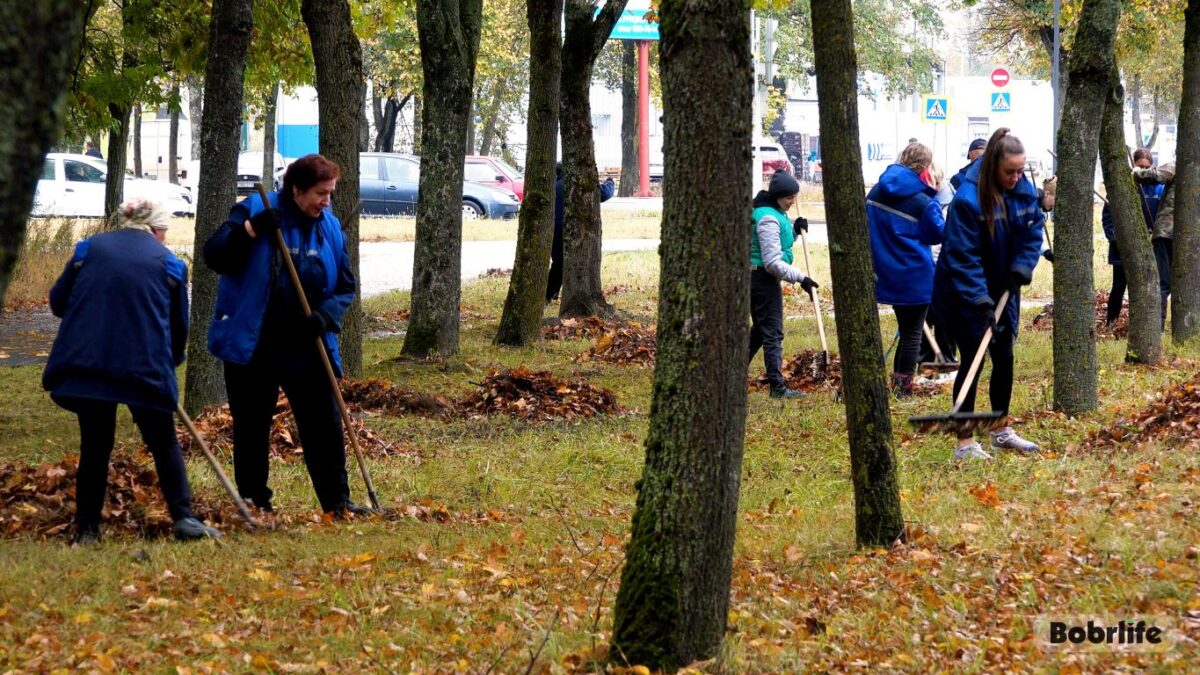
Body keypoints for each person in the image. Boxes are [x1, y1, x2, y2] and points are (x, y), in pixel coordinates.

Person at [43, 198, 220, 545]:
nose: (166, 238)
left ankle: (88, 531)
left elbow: (58, 302)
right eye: (165, 231)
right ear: (156, 229)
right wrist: (169, 363)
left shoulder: (87, 250)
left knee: (95, 444)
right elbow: (178, 328)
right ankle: (183, 517)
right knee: (163, 441)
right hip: (143, 368)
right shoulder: (169, 264)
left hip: (88, 366)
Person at [203, 154, 363, 517]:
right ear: (296, 189)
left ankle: (337, 502)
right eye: (321, 193)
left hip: (306, 342)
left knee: (323, 421)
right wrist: (250, 230)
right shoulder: (255, 209)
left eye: (331, 194)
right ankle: (255, 501)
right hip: (254, 339)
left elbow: (344, 286)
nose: (326, 201)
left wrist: (325, 316)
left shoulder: (330, 227)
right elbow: (215, 256)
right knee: (252, 423)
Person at [932, 128, 1045, 460]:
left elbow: (1032, 231)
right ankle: (964, 443)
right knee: (973, 361)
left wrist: (1023, 265)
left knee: (1005, 357)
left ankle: (1001, 430)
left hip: (1003, 288)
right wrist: (979, 299)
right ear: (993, 165)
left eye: (1020, 171)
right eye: (1009, 171)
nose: (1015, 177)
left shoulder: (1024, 191)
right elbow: (962, 257)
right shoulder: (968, 199)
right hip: (964, 291)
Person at [867, 143, 947, 396]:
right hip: (915, 274)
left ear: (901, 159)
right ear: (925, 167)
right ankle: (903, 390)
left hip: (884, 272)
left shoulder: (876, 191)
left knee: (907, 328)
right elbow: (938, 234)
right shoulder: (924, 201)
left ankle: (897, 384)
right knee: (912, 333)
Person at [749, 170, 820, 399]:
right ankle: (778, 388)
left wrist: (795, 231)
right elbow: (772, 262)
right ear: (778, 196)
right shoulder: (767, 218)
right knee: (772, 334)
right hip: (762, 280)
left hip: (758, 279)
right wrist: (801, 279)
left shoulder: (771, 211)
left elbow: (778, 245)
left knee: (760, 331)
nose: (792, 202)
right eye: (789, 197)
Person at [1102, 148, 1161, 325]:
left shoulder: (1158, 188)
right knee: (1119, 286)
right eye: (1139, 166)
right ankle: (1111, 322)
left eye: (1146, 167)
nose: (1142, 170)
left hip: (1148, 246)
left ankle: (1140, 325)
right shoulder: (1122, 187)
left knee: (1143, 289)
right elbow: (1108, 217)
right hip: (1122, 247)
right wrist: (1115, 238)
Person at [546, 164, 615, 302]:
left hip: (553, 229)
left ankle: (549, 294)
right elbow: (603, 194)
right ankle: (553, 294)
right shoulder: (574, 183)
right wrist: (610, 183)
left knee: (558, 263)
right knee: (567, 263)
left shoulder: (553, 187)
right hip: (571, 229)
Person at [1132, 157, 1176, 329]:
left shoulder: (1181, 165)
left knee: (1162, 283)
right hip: (1191, 240)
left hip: (1167, 232)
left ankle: (1158, 327)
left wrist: (1137, 172)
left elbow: (1154, 175)